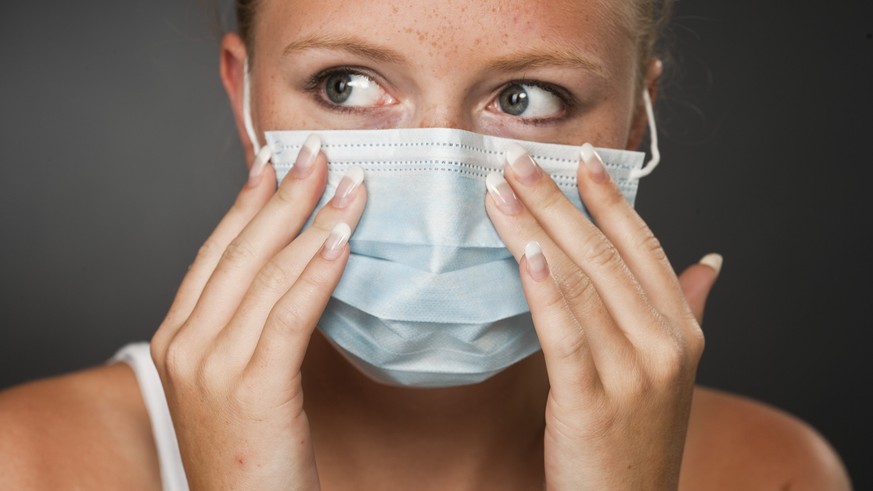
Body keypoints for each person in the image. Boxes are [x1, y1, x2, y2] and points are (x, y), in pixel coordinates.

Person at [0, 0, 853, 489]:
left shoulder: (769, 472)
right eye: (347, 84)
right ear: (245, 96)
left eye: (526, 97)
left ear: (634, 121)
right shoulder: (32, 463)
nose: (444, 200)